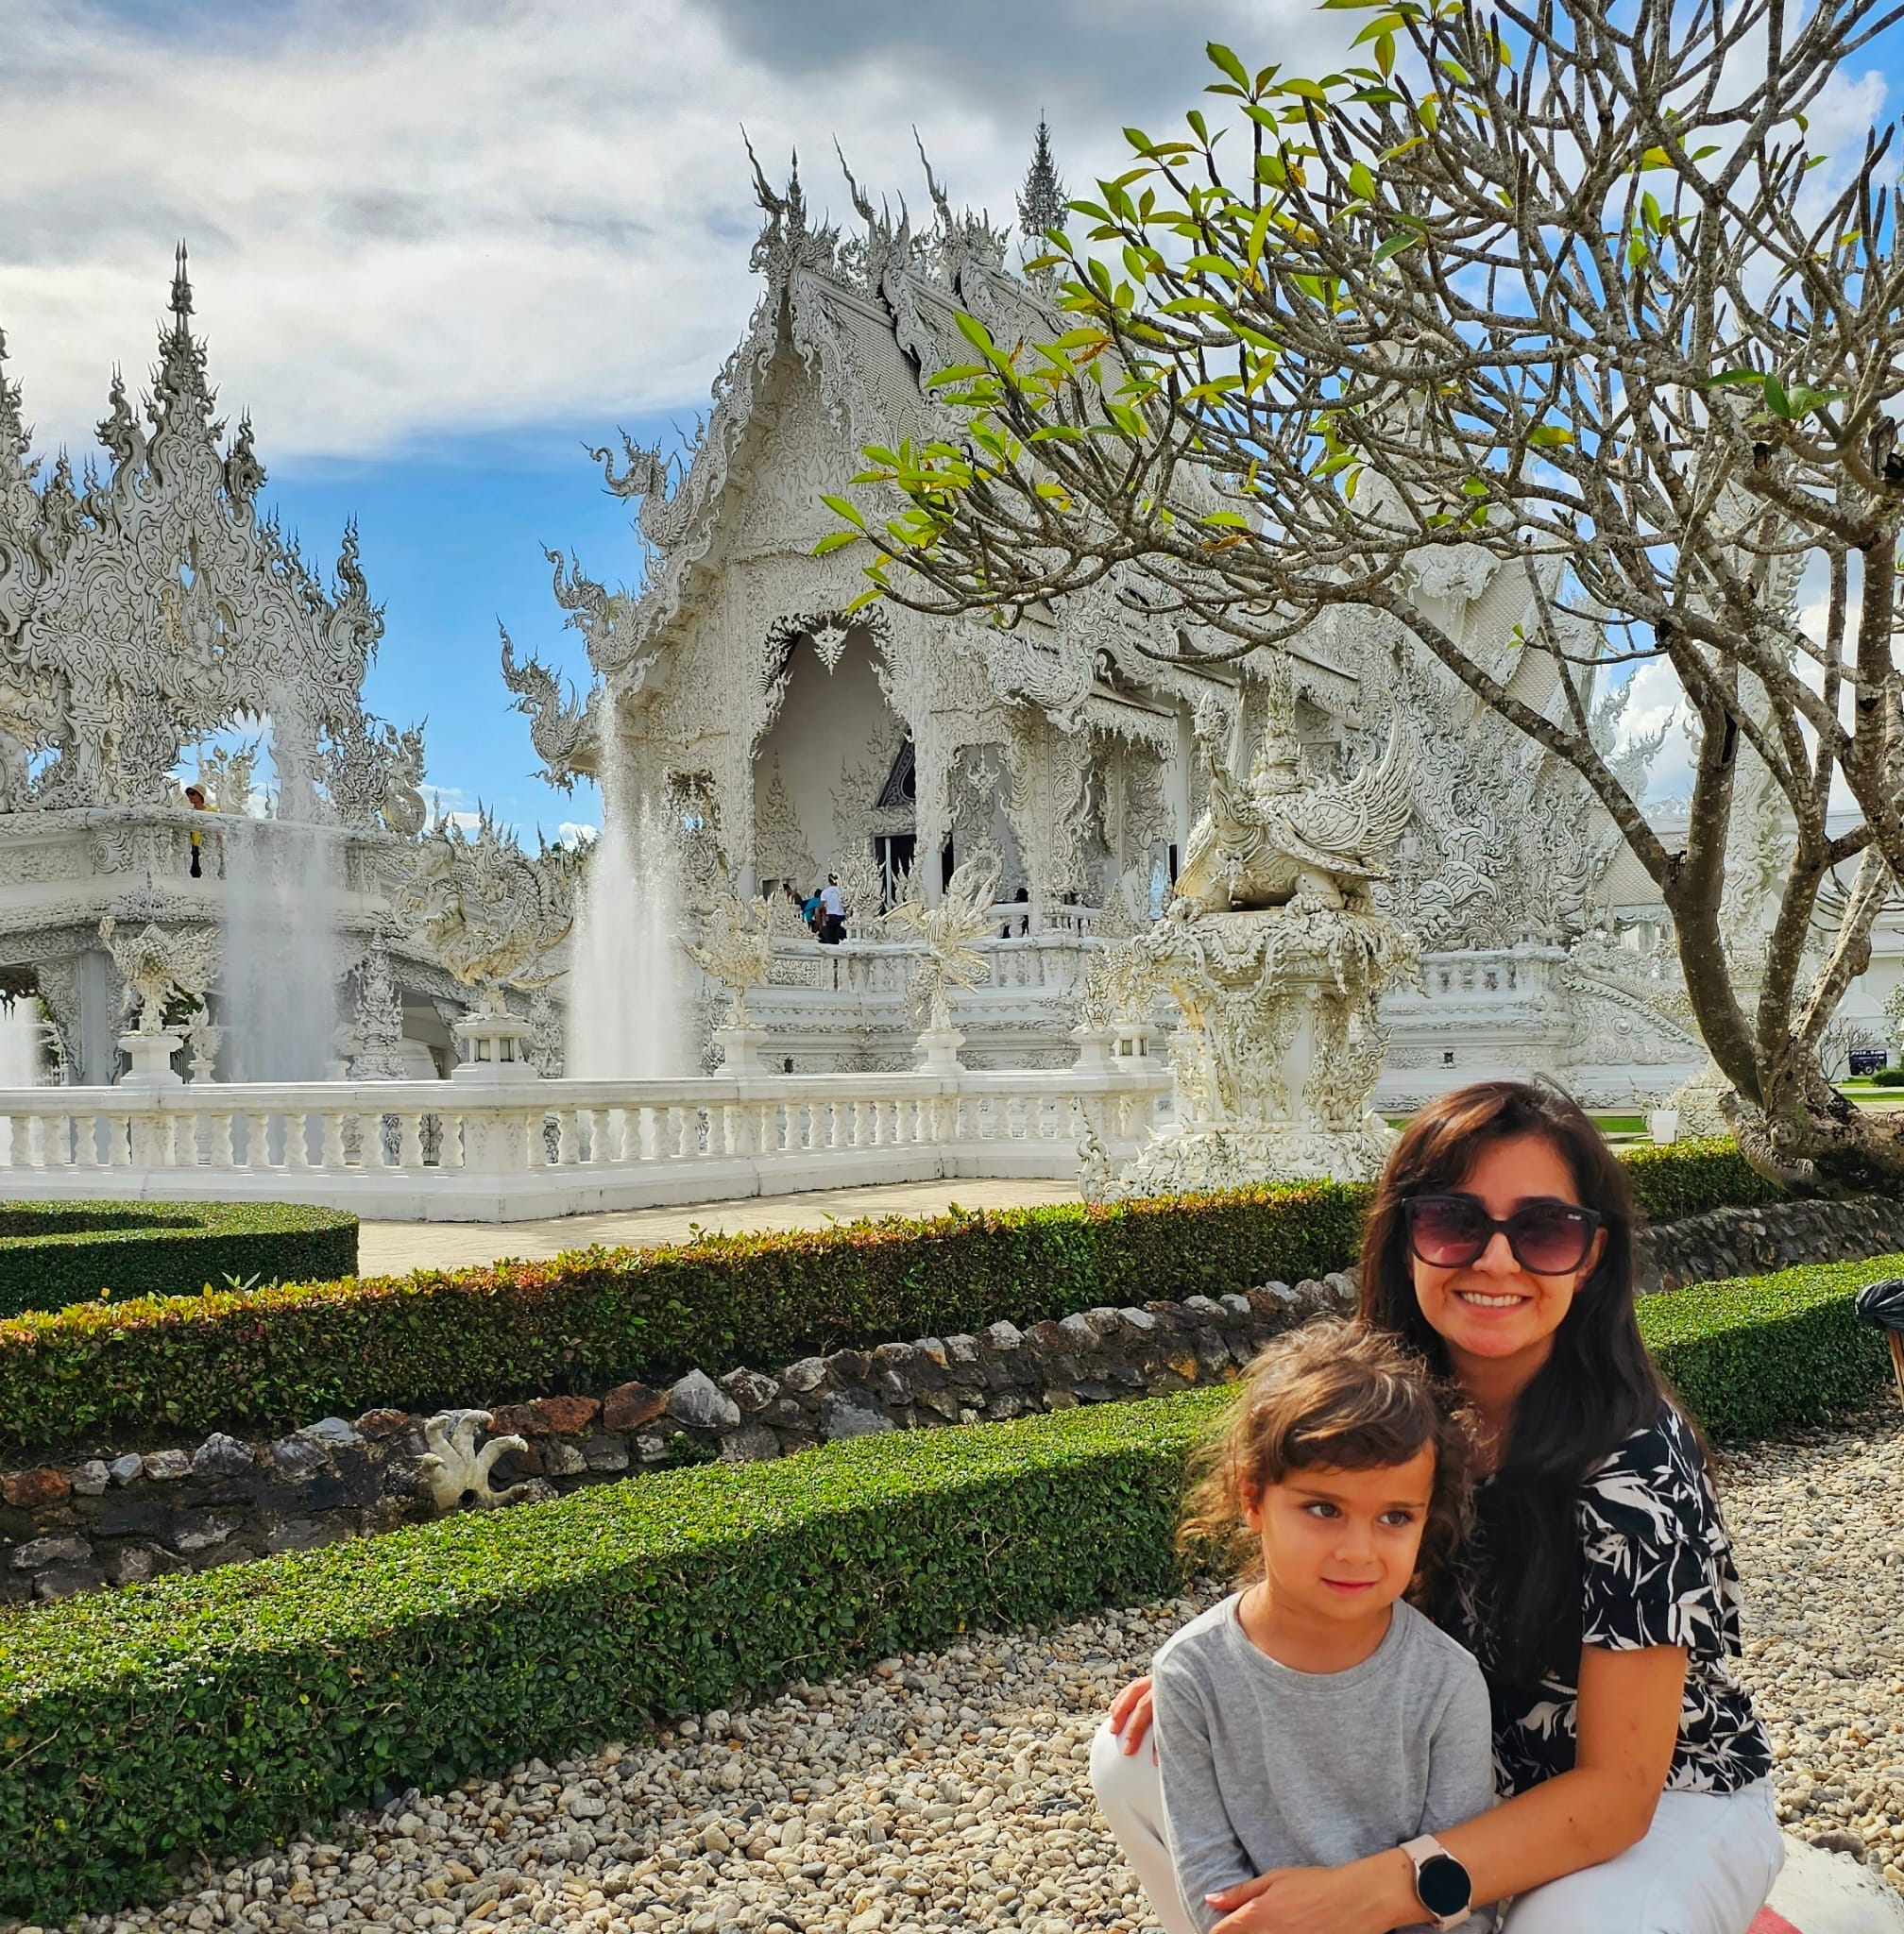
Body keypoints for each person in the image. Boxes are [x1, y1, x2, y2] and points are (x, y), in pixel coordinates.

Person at [1092, 1079, 1782, 1934]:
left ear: (1591, 1255)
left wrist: (1372, 1890)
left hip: (1648, 1809)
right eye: (1457, 1223)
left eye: (1544, 1229)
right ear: (1406, 1239)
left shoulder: (1638, 1466)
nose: (1498, 1262)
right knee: (1131, 1757)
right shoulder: (1388, 1405)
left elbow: (1616, 1796)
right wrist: (1243, 1670)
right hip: (1439, 1765)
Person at [1144, 1318, 1494, 1934]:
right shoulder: (1193, 1673)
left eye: (1393, 1517)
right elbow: (1211, 1884)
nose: (1358, 1550)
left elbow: (1461, 1895)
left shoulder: (1446, 1684)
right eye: (1324, 1509)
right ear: (1253, 1499)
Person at [818, 873, 846, 944]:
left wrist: (825, 914)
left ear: (829, 881)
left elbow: (821, 906)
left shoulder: (825, 892)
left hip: (830, 916)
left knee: (830, 938)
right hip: (841, 916)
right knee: (841, 939)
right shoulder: (842, 891)